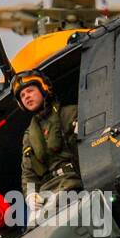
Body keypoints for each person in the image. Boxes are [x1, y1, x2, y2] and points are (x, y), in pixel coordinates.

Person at [15, 70, 82, 215]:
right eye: (22, 95)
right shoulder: (29, 136)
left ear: (44, 88)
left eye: (30, 91)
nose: (26, 97)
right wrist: (30, 195)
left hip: (74, 181)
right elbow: (28, 173)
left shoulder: (70, 114)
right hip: (49, 191)